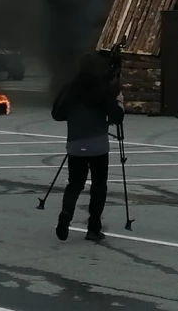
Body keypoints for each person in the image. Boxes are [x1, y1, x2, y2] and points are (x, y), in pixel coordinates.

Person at [51, 51, 124, 242]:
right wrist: (120, 103)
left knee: (74, 185)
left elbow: (57, 114)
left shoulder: (71, 88)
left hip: (75, 144)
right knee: (99, 187)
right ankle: (93, 228)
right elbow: (116, 116)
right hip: (98, 146)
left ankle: (65, 217)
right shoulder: (101, 90)